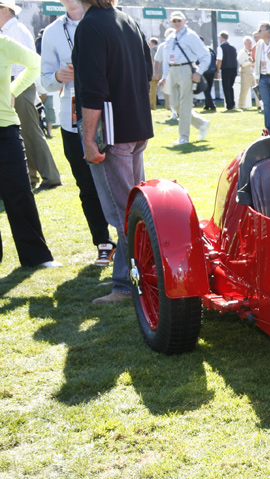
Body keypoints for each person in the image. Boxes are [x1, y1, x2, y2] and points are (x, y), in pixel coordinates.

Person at [73, 0, 152, 304]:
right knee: (134, 209)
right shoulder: (127, 21)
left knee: (124, 214)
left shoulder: (91, 26)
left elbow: (93, 89)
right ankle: (127, 278)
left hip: (113, 132)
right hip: (134, 125)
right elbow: (147, 71)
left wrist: (89, 138)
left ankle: (125, 285)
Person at [39, 0, 115, 267]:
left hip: (109, 116)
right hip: (72, 120)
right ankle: (103, 243)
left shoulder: (108, 19)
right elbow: (44, 80)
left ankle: (132, 241)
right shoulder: (52, 32)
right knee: (86, 184)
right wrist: (58, 76)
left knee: (117, 181)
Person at [0, 31, 57, 268]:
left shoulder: (4, 43)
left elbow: (36, 64)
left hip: (6, 128)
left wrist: (14, 90)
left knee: (20, 191)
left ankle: (37, 257)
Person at [0, 0, 61, 190]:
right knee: (24, 134)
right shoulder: (12, 29)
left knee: (30, 132)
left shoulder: (14, 30)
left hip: (18, 87)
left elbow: (27, 64)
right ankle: (31, 177)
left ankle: (50, 176)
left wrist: (13, 90)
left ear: (3, 9)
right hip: (17, 86)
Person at [158, 11, 210, 146]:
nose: (176, 23)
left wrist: (198, 72)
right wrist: (164, 76)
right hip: (173, 70)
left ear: (184, 21)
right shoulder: (170, 37)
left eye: (178, 20)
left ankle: (183, 137)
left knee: (185, 104)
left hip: (186, 69)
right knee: (174, 104)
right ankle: (201, 123)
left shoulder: (191, 36)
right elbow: (166, 59)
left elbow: (205, 55)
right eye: (174, 21)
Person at [216, 31, 237, 111]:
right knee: (231, 87)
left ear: (221, 38)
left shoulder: (220, 47)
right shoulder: (233, 48)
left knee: (226, 87)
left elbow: (219, 60)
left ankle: (229, 105)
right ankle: (232, 103)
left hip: (226, 69)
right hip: (233, 69)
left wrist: (217, 71)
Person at [238, 35, 255, 109]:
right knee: (244, 90)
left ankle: (260, 105)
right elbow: (242, 64)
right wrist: (250, 61)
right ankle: (241, 105)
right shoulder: (241, 52)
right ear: (244, 43)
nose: (250, 44)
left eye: (251, 43)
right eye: (248, 43)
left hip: (254, 72)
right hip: (245, 73)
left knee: (258, 89)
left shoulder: (254, 51)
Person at [148, 36, 159, 109]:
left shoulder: (152, 51)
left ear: (151, 43)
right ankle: (169, 106)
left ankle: (152, 105)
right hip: (163, 72)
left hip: (155, 72)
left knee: (152, 90)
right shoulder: (161, 49)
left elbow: (151, 61)